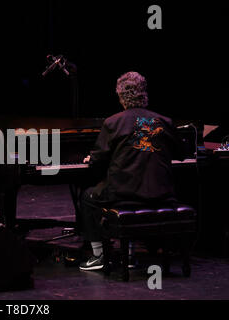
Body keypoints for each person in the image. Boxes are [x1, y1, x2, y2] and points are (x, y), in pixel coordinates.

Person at [78, 71, 185, 271]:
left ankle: (98, 256)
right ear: (144, 94)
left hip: (123, 193)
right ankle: (129, 254)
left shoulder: (113, 122)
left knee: (87, 197)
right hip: (160, 192)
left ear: (120, 96)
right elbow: (180, 153)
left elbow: (98, 160)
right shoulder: (164, 121)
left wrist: (91, 159)